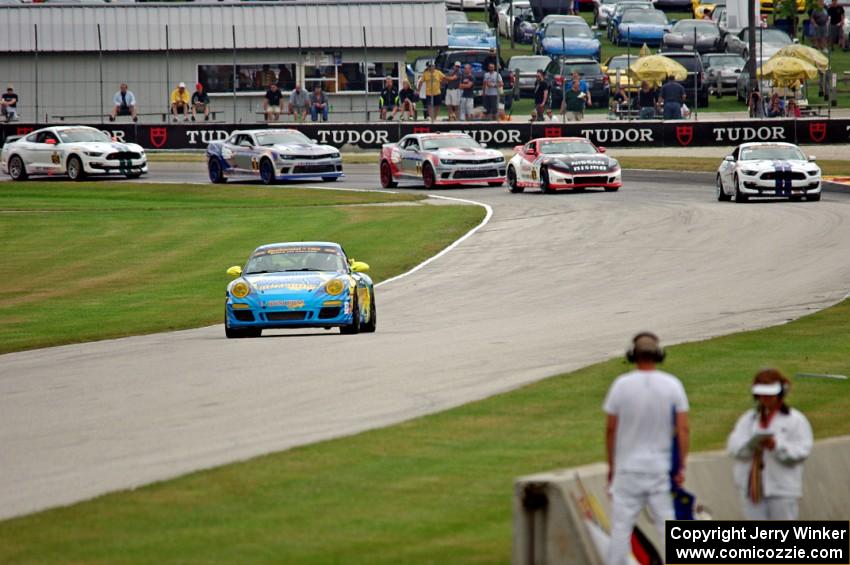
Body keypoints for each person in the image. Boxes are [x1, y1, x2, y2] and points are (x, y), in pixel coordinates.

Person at [604, 332, 689, 565]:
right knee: (666, 525)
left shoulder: (621, 386)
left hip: (628, 469)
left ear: (632, 355)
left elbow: (611, 429)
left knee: (621, 529)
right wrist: (680, 465)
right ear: (659, 355)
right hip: (658, 469)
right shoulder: (672, 385)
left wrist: (612, 466)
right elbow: (683, 429)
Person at [726, 368, 812, 520]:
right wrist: (752, 445)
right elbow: (734, 448)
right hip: (752, 490)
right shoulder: (749, 419)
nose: (765, 398)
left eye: (769, 394)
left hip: (783, 489)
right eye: (762, 394)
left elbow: (802, 451)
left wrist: (776, 446)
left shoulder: (795, 420)